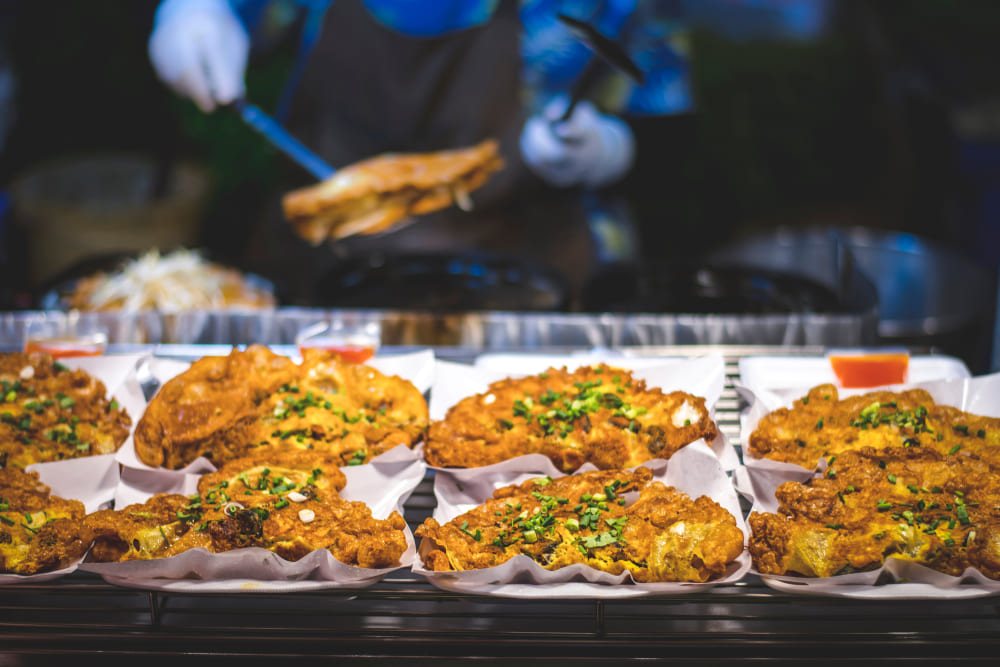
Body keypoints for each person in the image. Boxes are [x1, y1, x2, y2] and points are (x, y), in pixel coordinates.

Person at [147, 0, 695, 304]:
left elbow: (674, 139)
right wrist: (196, 13)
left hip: (529, 287)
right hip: (319, 274)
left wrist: (611, 149)